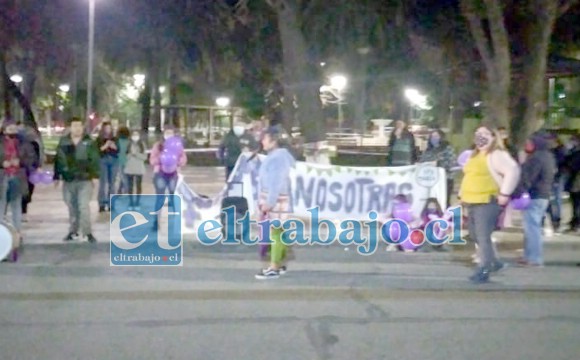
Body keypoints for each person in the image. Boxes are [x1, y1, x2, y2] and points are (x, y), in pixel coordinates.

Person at [458, 124, 520, 283]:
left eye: (485, 133)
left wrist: (505, 193)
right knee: (474, 234)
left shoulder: (496, 154)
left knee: (482, 235)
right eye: (478, 133)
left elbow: (512, 171)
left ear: (494, 137)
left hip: (487, 200)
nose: (480, 136)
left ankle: (484, 268)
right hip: (471, 201)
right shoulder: (474, 154)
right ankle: (495, 262)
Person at [255, 126, 296, 280]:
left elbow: (275, 182)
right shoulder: (280, 156)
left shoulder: (277, 158)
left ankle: (274, 267)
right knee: (279, 233)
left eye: (265, 139)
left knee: (275, 233)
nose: (262, 142)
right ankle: (279, 264)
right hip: (278, 197)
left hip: (276, 199)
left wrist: (269, 202)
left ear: (273, 141)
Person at [53, 117, 100, 243]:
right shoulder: (64, 142)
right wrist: (57, 176)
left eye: (79, 126)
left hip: (85, 179)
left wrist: (95, 176)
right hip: (69, 179)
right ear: (70, 127)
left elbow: (95, 160)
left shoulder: (89, 142)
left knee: (83, 206)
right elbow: (58, 160)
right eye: (74, 126)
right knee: (71, 206)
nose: (77, 128)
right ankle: (73, 231)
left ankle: (87, 232)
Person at [516, 132, 556, 267]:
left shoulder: (535, 158)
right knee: (532, 226)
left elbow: (529, 177)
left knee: (532, 228)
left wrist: (520, 190)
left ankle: (534, 258)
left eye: (529, 143)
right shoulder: (548, 156)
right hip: (543, 195)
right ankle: (529, 256)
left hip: (534, 195)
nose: (527, 145)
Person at [0, 119, 36, 243]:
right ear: (4, 131)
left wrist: (20, 162)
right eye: (10, 129)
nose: (13, 132)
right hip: (2, 176)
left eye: (15, 129)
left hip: (17, 176)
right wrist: (2, 163)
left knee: (16, 205)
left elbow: (31, 158)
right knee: (1, 205)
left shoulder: (23, 143)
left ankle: (17, 233)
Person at [149, 125, 187, 228]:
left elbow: (183, 158)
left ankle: (178, 220)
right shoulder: (158, 145)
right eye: (167, 133)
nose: (169, 135)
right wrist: (161, 159)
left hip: (173, 174)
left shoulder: (178, 146)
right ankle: (156, 222)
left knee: (174, 197)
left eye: (171, 133)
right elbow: (152, 160)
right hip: (160, 174)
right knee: (160, 198)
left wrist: (177, 161)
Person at [420, 129, 456, 207]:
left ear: (441, 137)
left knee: (444, 202)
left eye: (436, 136)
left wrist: (438, 163)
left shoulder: (447, 148)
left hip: (445, 179)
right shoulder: (428, 150)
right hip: (431, 181)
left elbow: (451, 163)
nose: (434, 138)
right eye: (432, 137)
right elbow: (422, 161)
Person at [16, 121, 41, 223]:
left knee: (26, 191)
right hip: (15, 171)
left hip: (26, 170)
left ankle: (23, 212)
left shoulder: (32, 143)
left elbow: (35, 156)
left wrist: (36, 166)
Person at [543, 134, 566, 235]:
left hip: (557, 178)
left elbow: (561, 165)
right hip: (552, 178)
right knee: (552, 201)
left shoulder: (560, 152)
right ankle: (553, 222)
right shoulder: (551, 152)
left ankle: (555, 222)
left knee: (555, 200)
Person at [96, 121, 119, 212]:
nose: (108, 130)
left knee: (112, 183)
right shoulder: (99, 139)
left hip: (113, 160)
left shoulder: (115, 138)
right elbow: (97, 150)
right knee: (103, 183)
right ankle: (101, 203)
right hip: (103, 160)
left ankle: (111, 204)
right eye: (106, 128)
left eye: (109, 128)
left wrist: (113, 145)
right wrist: (105, 145)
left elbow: (118, 150)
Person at [125, 129, 148, 210]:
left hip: (139, 168)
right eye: (133, 135)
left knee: (138, 186)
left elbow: (144, 157)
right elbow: (125, 157)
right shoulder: (128, 144)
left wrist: (136, 154)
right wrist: (131, 154)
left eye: (137, 135)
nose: (135, 136)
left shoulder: (142, 144)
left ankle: (138, 202)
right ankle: (130, 202)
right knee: (130, 186)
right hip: (129, 168)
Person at [564, 134, 580, 232]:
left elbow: (572, 165)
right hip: (575, 181)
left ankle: (576, 223)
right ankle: (575, 222)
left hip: (577, 183)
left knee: (576, 204)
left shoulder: (576, 153)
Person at [115, 126, 130, 194]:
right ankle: (119, 191)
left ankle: (128, 192)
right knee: (124, 177)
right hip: (128, 161)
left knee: (123, 177)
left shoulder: (117, 141)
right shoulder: (129, 142)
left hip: (120, 161)